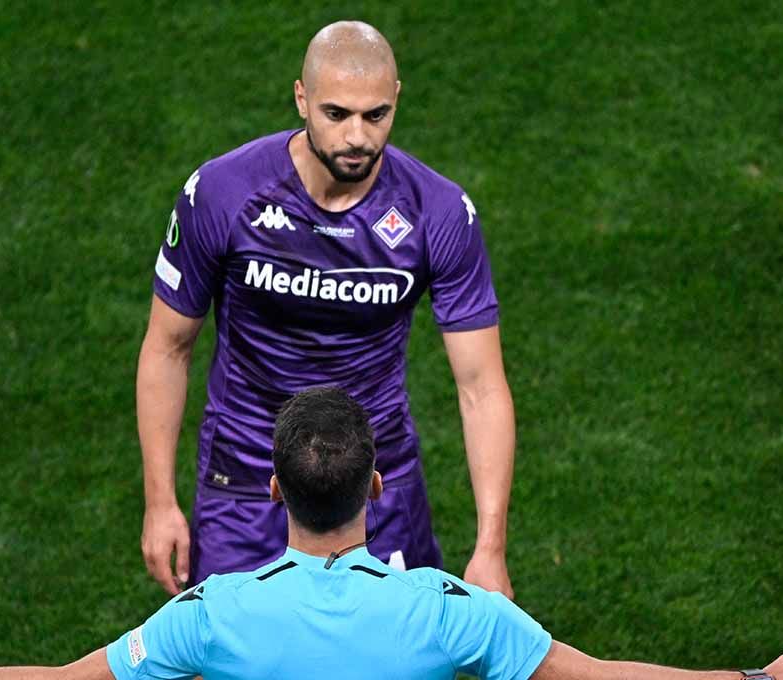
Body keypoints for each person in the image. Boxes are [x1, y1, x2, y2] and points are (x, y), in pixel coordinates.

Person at [0, 388, 783, 680]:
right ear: (380, 482)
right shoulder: (453, 614)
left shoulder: (209, 616)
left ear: (267, 487)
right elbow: (607, 676)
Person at [137, 19, 517, 598]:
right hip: (246, 479)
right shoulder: (223, 194)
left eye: (375, 115)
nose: (357, 137)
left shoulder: (437, 212)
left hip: (375, 485)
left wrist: (491, 545)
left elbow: (481, 385)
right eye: (336, 114)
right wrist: (160, 504)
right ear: (302, 100)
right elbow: (168, 346)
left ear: (396, 100)